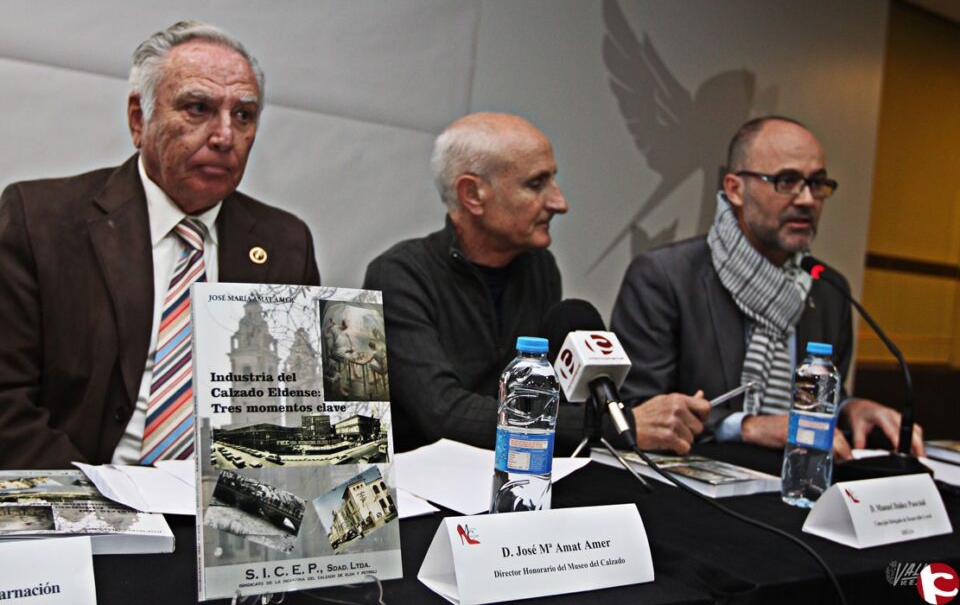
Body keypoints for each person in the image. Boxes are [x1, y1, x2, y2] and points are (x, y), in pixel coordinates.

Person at [0, 21, 320, 469]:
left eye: (243, 115)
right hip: (88, 494)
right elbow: (7, 403)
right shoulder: (42, 221)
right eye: (198, 108)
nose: (224, 136)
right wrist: (101, 505)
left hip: (229, 510)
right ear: (139, 118)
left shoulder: (285, 243)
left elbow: (301, 405)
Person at [364, 112, 709, 454]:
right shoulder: (400, 275)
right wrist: (611, 425)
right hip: (428, 491)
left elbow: (546, 396)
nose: (560, 203)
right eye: (535, 184)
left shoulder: (539, 267)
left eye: (553, 181)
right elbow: (446, 415)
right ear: (472, 195)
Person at [611, 116, 924, 460]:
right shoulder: (664, 277)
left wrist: (850, 407)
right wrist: (749, 426)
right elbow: (636, 412)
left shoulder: (829, 289)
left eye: (817, 183)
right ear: (735, 189)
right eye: (786, 181)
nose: (807, 199)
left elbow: (817, 398)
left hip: (799, 482)